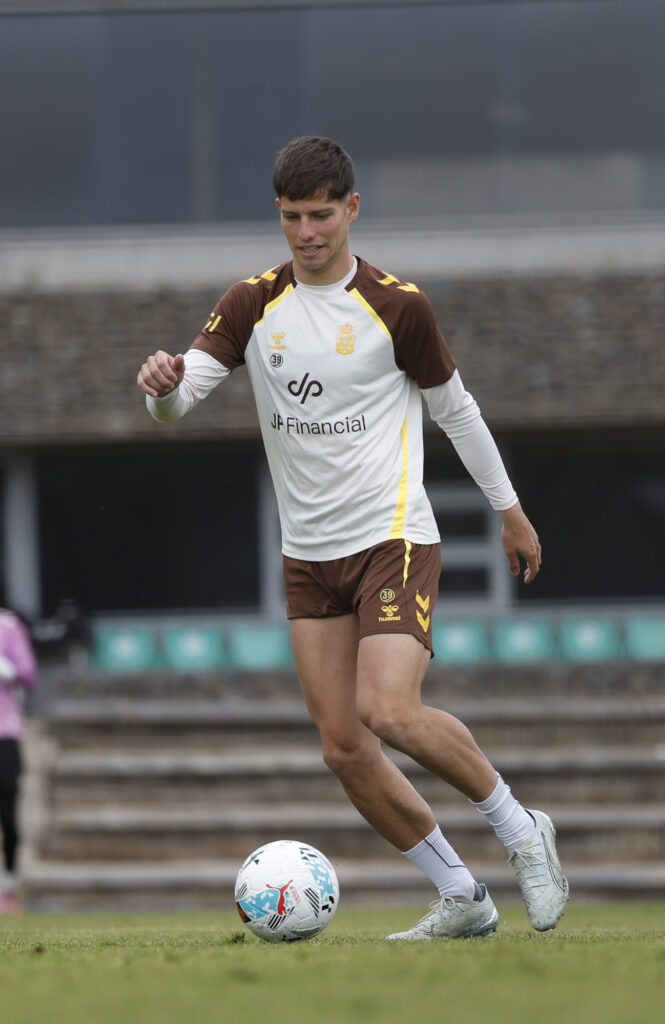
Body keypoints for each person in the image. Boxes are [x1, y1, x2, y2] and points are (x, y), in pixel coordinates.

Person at [138, 136, 569, 940]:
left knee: (387, 711)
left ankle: (522, 831)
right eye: (293, 217)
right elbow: (180, 399)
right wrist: (161, 388)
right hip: (309, 556)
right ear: (279, 214)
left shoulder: (398, 305)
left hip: (392, 537)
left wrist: (509, 510)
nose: (307, 232)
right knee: (343, 747)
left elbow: (458, 412)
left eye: (322, 215)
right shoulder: (250, 303)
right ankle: (463, 897)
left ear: (352, 210)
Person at [0, 607, 38, 915]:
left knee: (8, 818)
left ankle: (8, 886)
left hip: (5, 734)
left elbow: (29, 674)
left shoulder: (8, 626)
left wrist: (7, 669)